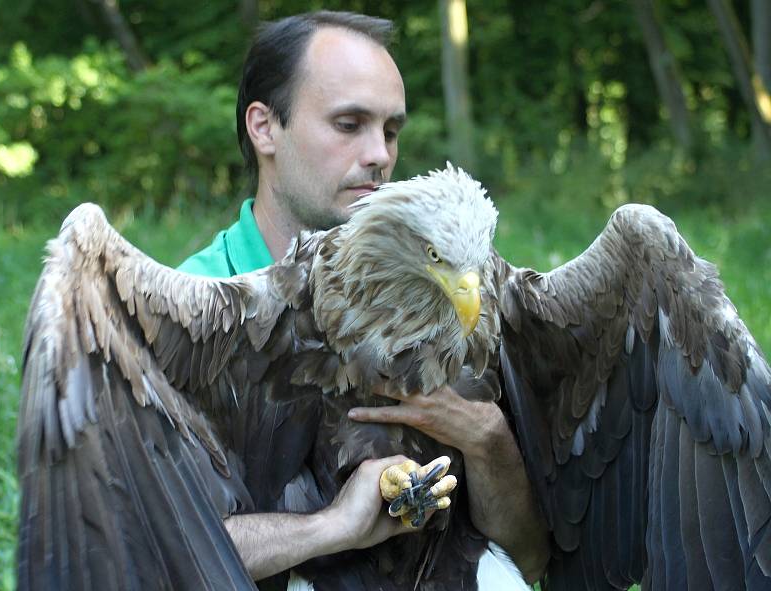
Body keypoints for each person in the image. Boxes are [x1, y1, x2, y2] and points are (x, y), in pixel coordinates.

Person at [178, 11, 549, 589]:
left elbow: (531, 562)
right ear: (264, 127)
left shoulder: (459, 293)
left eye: (391, 131)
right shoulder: (187, 310)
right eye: (349, 124)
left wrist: (487, 437)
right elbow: (153, 555)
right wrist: (332, 527)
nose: (378, 153)